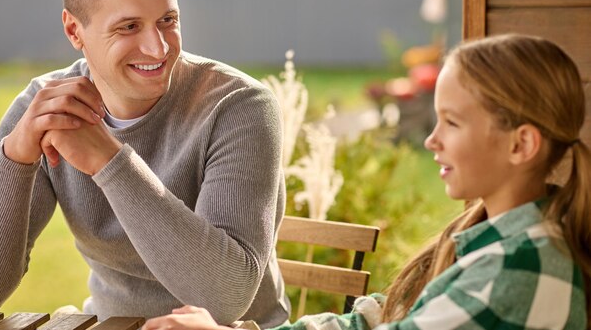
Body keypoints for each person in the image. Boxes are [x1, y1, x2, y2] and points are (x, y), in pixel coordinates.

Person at [142, 34, 591, 330]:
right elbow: (374, 320)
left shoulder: (521, 271)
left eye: (453, 123)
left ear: (521, 144)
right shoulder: (493, 244)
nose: (432, 140)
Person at [0, 0, 290, 328]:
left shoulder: (239, 107)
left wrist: (109, 160)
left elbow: (224, 299)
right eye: (129, 26)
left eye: (167, 20)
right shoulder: (45, 109)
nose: (157, 47)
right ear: (74, 30)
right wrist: (16, 157)